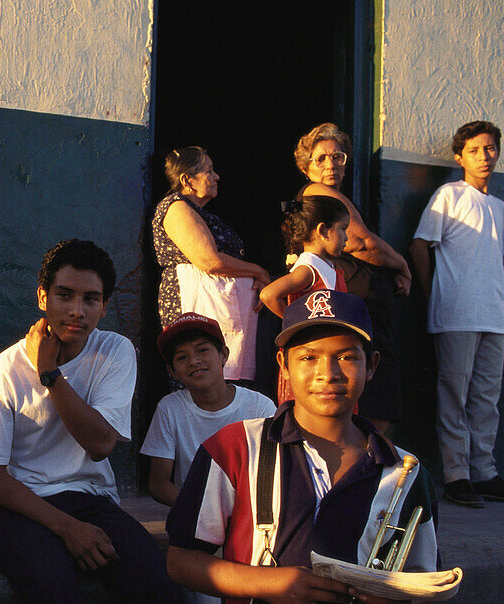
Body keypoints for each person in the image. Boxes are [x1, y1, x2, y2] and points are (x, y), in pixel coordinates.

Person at [167, 289, 440, 604]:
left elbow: (421, 578)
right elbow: (181, 561)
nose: (327, 373)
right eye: (309, 358)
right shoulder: (234, 449)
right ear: (284, 367)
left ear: (372, 366)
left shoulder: (407, 473)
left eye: (347, 357)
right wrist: (273, 584)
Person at [0, 239, 177, 604]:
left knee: (154, 585)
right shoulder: (3, 370)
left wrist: (51, 375)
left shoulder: (115, 350)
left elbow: (101, 444)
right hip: (18, 507)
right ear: (43, 297)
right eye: (64, 295)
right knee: (53, 588)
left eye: (91, 299)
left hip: (90, 499)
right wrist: (64, 528)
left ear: (104, 303)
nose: (77, 311)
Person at [140, 312, 275, 604]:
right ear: (173, 370)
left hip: (253, 524)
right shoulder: (172, 409)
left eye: (203, 350)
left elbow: (275, 473)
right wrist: (208, 507)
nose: (194, 361)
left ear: (224, 355)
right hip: (199, 529)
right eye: (182, 357)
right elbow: (158, 484)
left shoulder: (259, 405)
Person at [409, 120, 504, 508]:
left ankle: (485, 473)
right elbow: (419, 246)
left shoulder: (499, 207)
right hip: (455, 313)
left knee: (486, 398)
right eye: (476, 149)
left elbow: (494, 262)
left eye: (491, 148)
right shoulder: (449, 194)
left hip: (492, 315)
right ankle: (456, 476)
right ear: (459, 156)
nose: (485, 156)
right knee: (454, 395)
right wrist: (434, 296)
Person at [295, 123, 412, 431]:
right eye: (321, 158)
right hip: (357, 311)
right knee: (370, 408)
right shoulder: (319, 193)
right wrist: (401, 265)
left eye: (338, 157)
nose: (331, 164)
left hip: (369, 313)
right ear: (305, 166)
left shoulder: (334, 197)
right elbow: (361, 243)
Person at [152, 146, 272, 381]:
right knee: (201, 375)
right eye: (209, 170)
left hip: (220, 306)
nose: (216, 176)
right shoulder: (176, 207)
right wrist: (259, 271)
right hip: (195, 302)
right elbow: (209, 260)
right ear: (187, 179)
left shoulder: (197, 211)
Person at [260, 195, 351, 406]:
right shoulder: (308, 269)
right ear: (323, 230)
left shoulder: (325, 266)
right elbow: (268, 294)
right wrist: (295, 322)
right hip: (309, 358)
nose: (346, 237)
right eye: (343, 228)